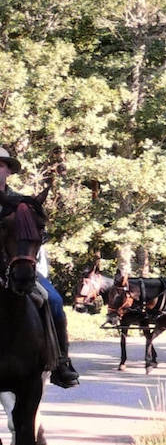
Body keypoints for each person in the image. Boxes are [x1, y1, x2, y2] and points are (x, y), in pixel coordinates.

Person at [0, 146, 79, 387]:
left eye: (1, 165)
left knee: (54, 300)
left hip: (19, 267)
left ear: (9, 171)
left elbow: (38, 237)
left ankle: (61, 362)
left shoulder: (22, 203)